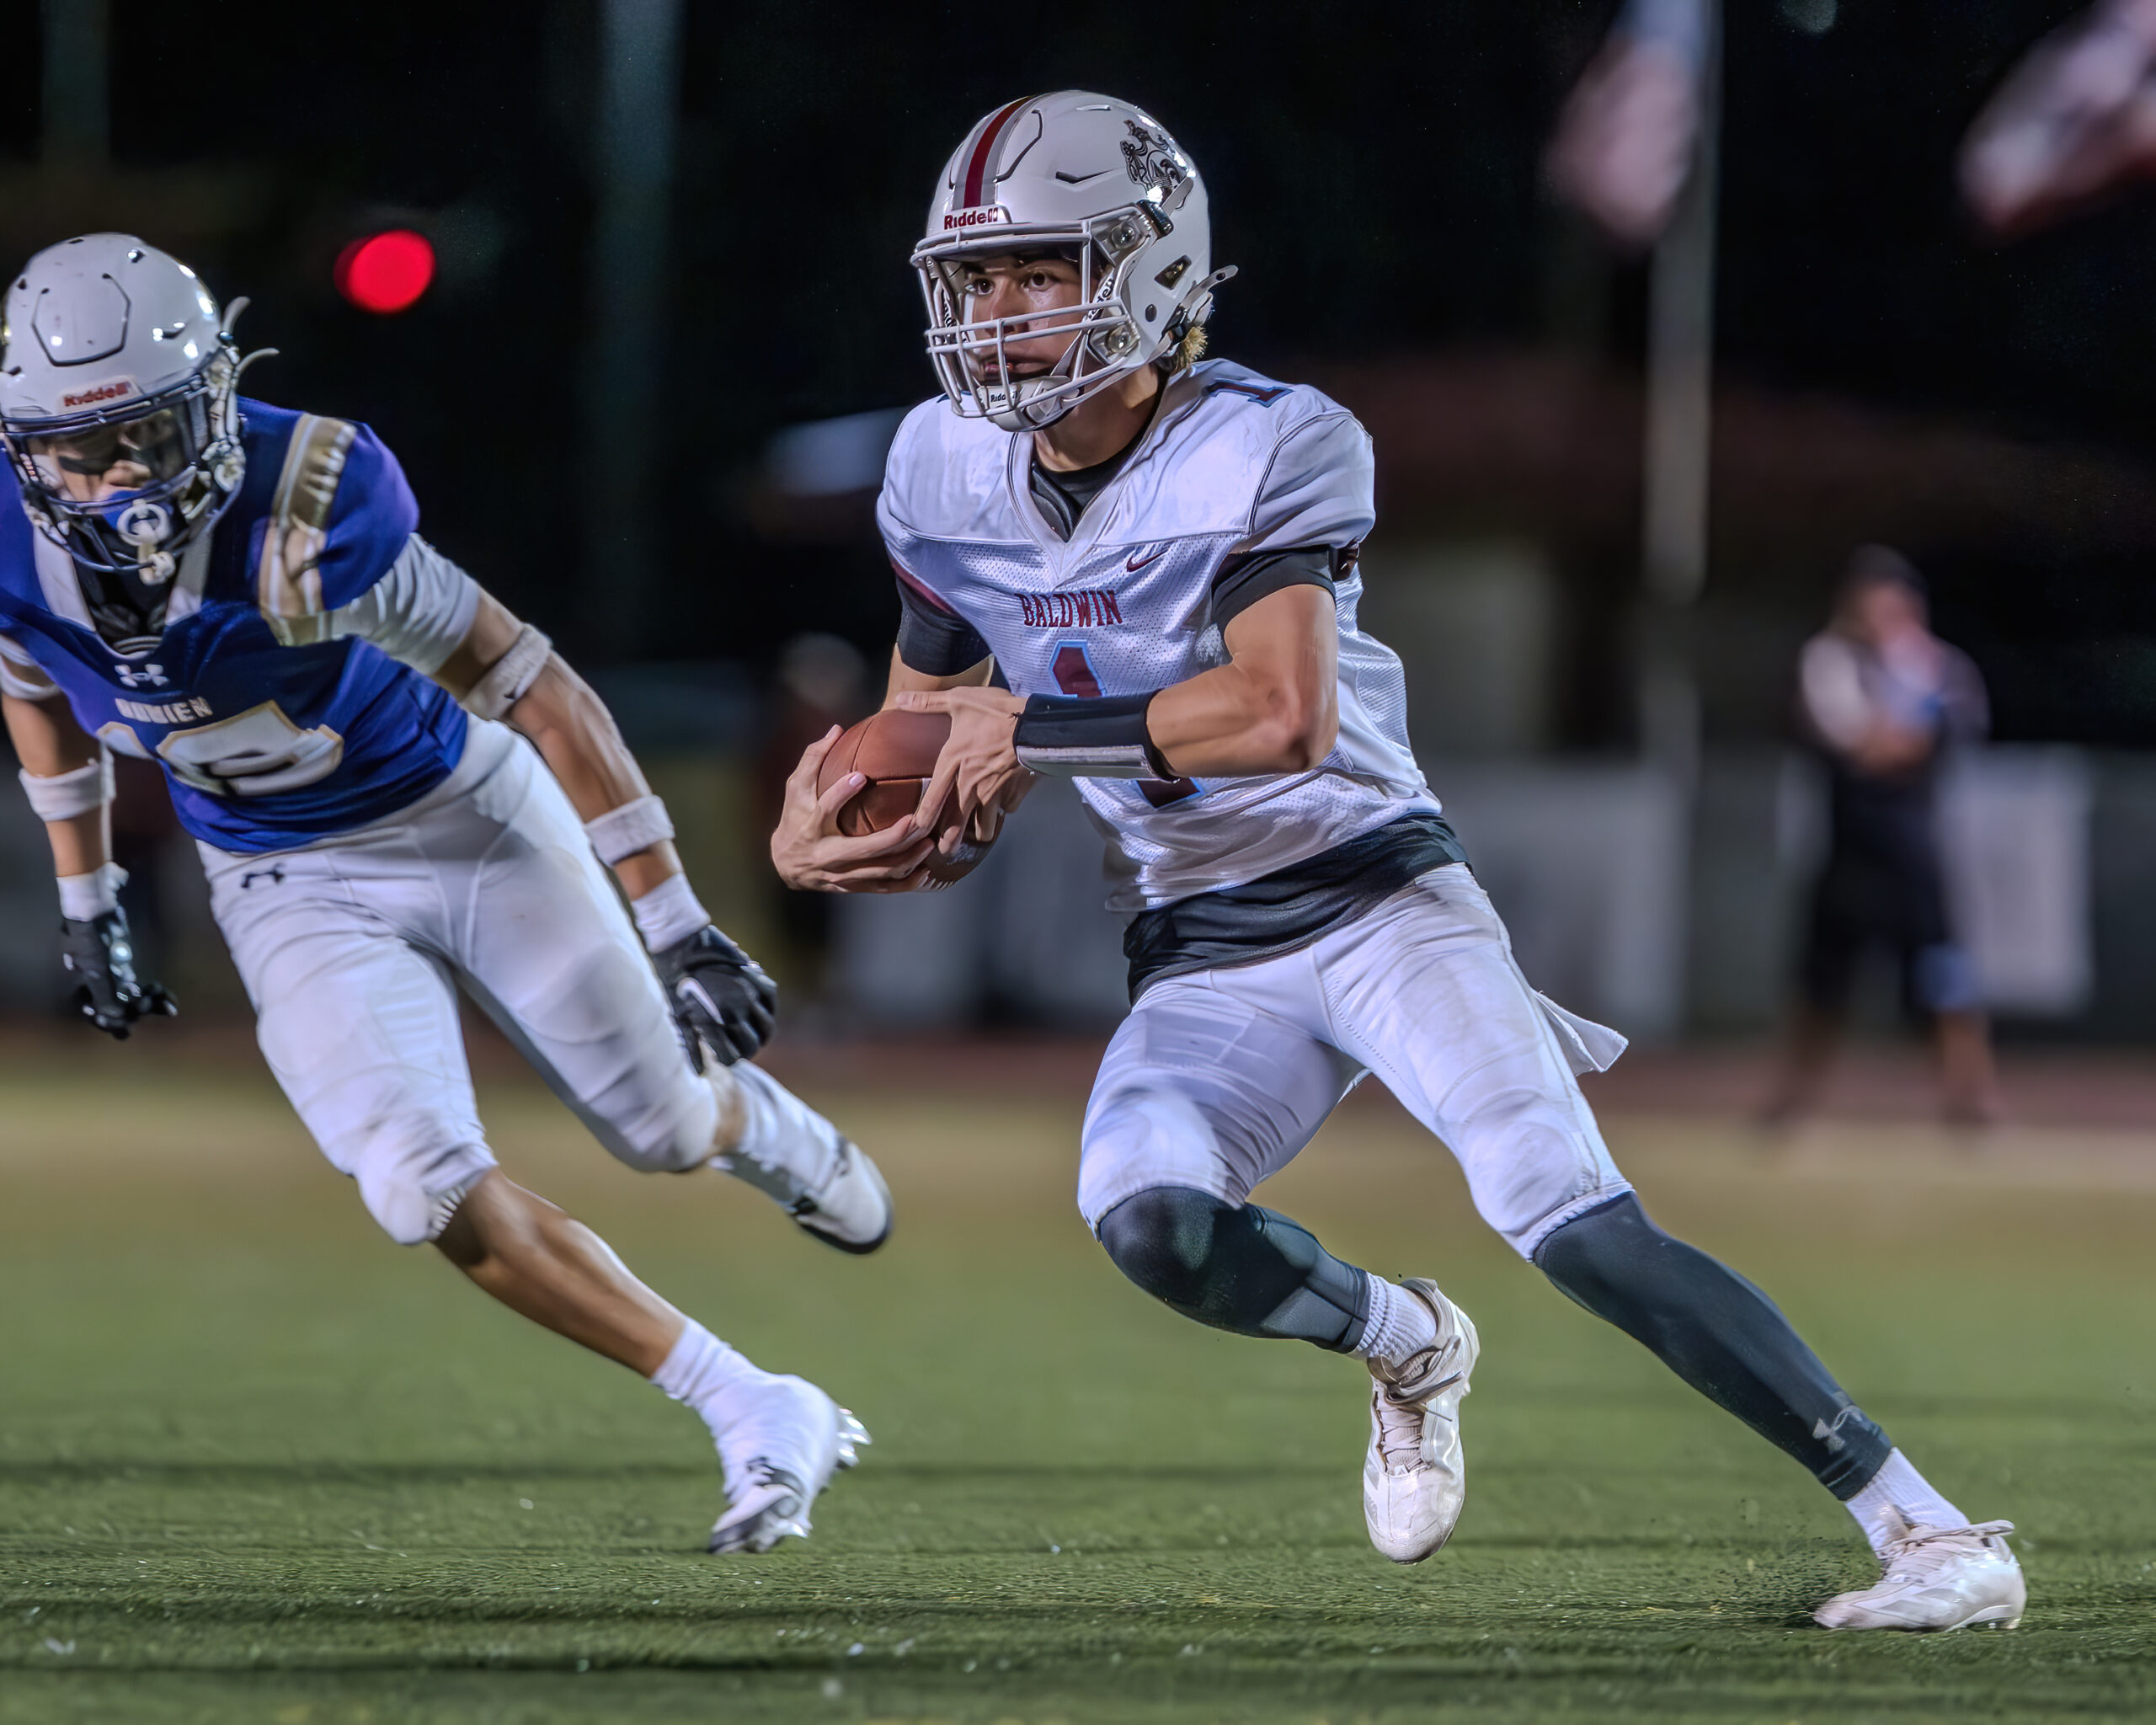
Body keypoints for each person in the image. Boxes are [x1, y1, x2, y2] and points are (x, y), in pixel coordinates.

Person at [771, 93, 2025, 1631]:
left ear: (1151, 268)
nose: (996, 314)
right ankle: (1405, 1337)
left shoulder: (1268, 439)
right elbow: (927, 721)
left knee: (1568, 1213)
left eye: (1040, 272)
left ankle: (1933, 1531)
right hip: (1194, 939)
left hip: (1374, 894)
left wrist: (1023, 735)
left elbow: (1280, 716)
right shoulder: (941, 468)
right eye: (977, 279)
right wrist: (850, 812)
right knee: (1151, 1221)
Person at [0, 234, 890, 1555]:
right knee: (415, 1185)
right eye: (83, 451)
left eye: (147, 435)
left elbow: (538, 685)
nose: (118, 478)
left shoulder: (307, 504)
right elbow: (35, 688)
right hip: (282, 874)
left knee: (658, 1127)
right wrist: (89, 900)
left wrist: (678, 922)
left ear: (215, 396)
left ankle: (756, 1123)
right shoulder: (17, 552)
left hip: (463, 819)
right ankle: (753, 1401)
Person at [1764, 547, 1999, 1128]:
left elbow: (1949, 730)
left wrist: (1893, 737)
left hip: (1916, 851)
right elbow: (1852, 737)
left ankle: (1969, 1096)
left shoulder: (1937, 666)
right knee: (1823, 979)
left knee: (1943, 974)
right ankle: (1794, 1100)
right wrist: (1897, 738)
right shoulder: (1829, 659)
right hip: (1849, 850)